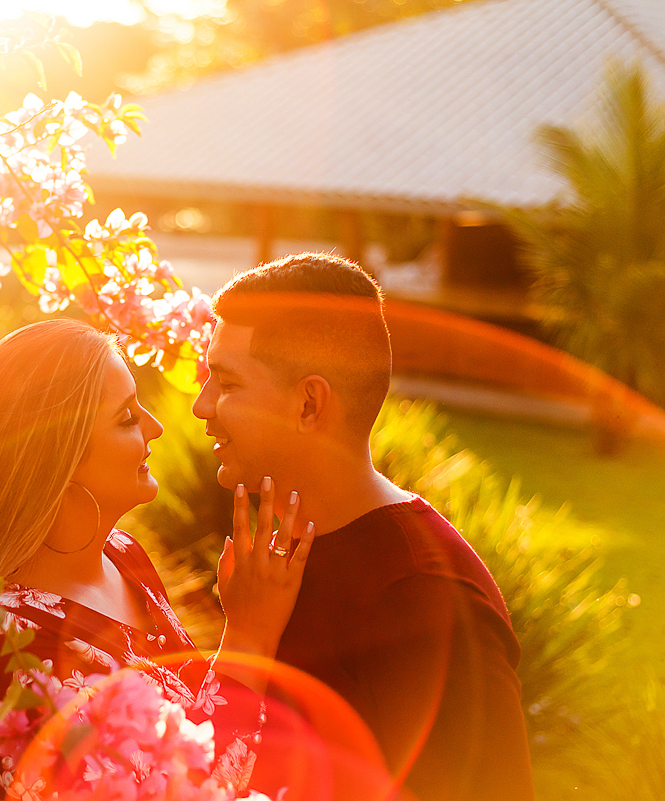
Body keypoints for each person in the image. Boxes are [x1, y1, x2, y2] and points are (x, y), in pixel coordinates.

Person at [0, 318, 320, 801]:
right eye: (126, 418)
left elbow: (189, 728)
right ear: (55, 456)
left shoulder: (124, 557)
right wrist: (248, 637)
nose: (155, 427)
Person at [193, 253, 535, 801]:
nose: (200, 405)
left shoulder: (422, 594)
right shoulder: (274, 569)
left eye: (226, 383)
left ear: (309, 404)